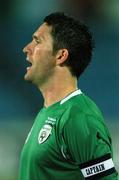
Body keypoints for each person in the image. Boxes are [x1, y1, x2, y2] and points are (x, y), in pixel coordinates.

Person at [19, 12, 118, 180]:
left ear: (61, 55)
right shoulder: (48, 111)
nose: (26, 48)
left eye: (37, 41)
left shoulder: (79, 117)